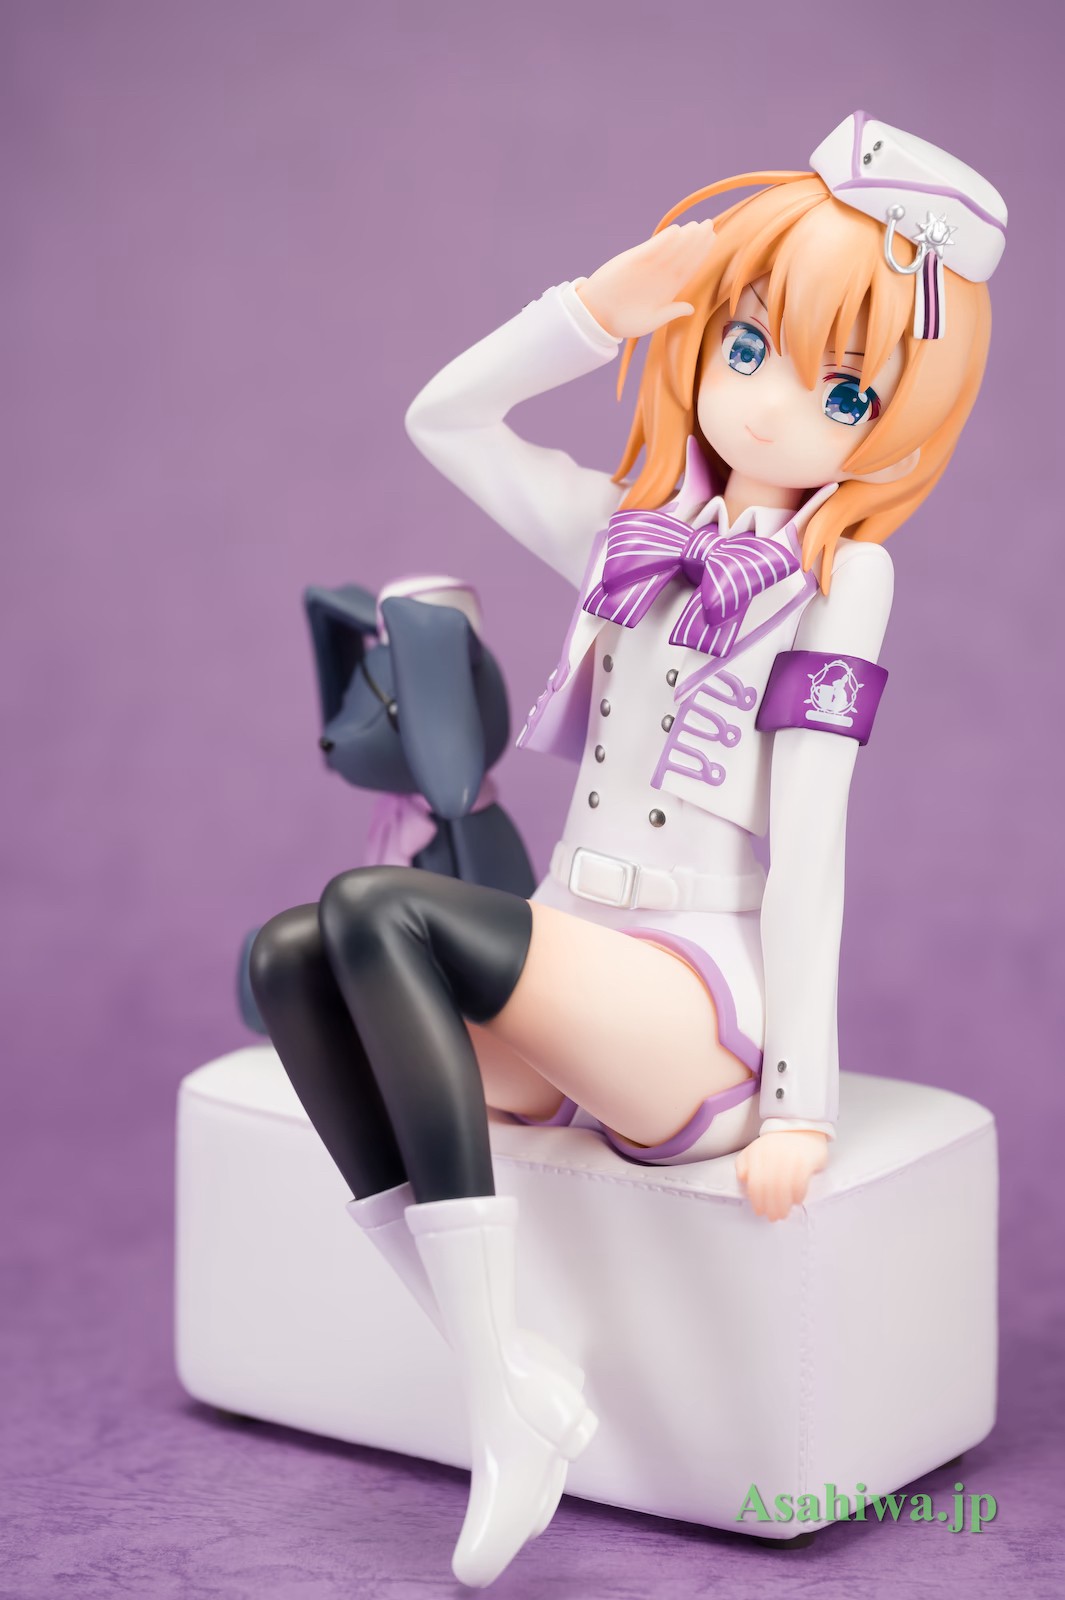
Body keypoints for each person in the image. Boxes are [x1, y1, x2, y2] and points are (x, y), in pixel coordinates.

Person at [249, 112, 1005, 1587]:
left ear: (895, 416)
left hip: (694, 1013)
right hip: (577, 962)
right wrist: (594, 309)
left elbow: (814, 845)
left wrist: (798, 1105)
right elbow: (445, 419)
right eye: (747, 345)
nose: (771, 405)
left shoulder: (842, 581)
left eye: (840, 385)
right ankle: (502, 1372)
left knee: (378, 912)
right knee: (296, 961)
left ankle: (501, 1404)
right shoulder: (626, 531)